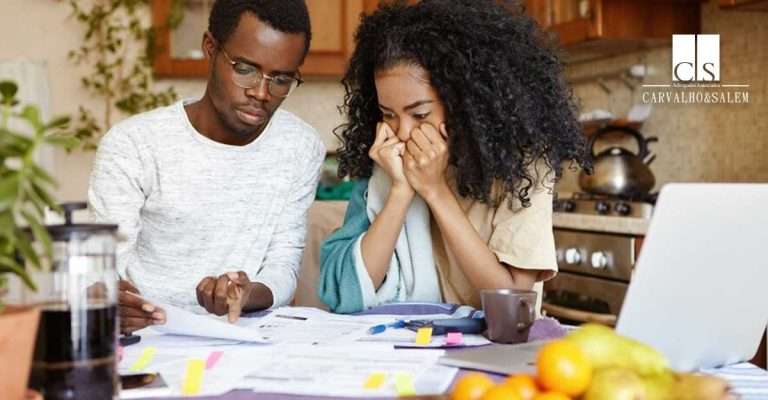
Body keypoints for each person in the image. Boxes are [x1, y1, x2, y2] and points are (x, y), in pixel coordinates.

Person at [318, 0, 590, 314]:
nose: (403, 132)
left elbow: (512, 302)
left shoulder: (525, 168)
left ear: (463, 102)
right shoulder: (386, 165)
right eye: (387, 114)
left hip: (490, 349)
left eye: (419, 114)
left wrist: (435, 192)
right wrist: (400, 192)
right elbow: (343, 292)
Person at [89, 0, 325, 333]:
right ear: (210, 48)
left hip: (249, 341)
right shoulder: (134, 144)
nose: (261, 93)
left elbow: (284, 264)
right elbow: (104, 267)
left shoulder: (301, 146)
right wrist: (109, 299)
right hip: (151, 337)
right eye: (245, 69)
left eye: (281, 79)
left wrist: (246, 293)